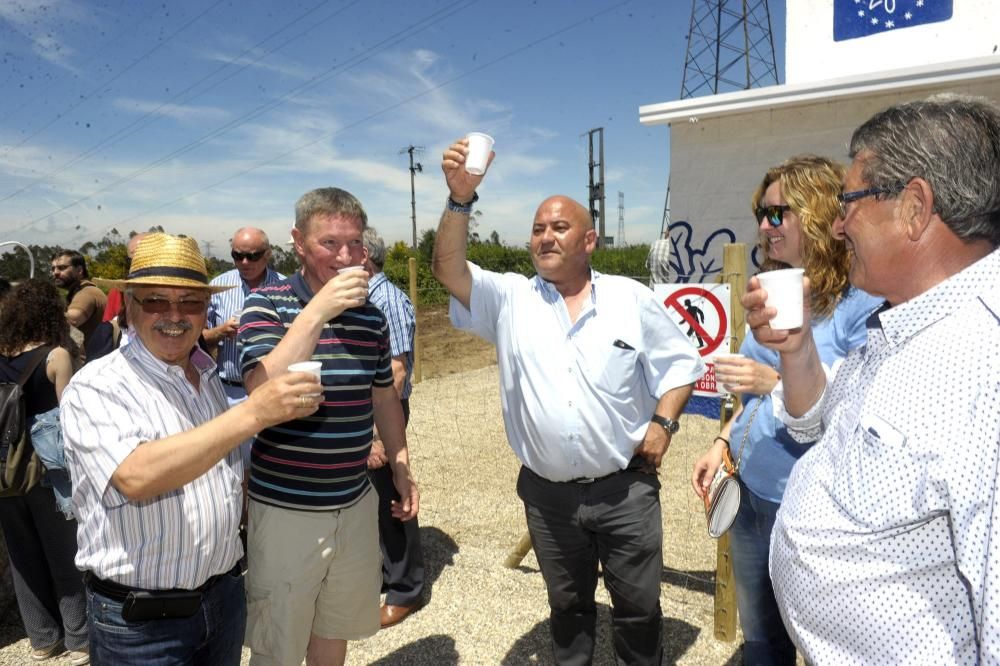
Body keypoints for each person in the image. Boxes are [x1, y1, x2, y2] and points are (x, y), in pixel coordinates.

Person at [742, 95, 1000, 663]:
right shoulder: (905, 321)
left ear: (913, 207)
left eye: (850, 201)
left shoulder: (984, 363)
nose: (838, 224)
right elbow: (820, 425)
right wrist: (796, 349)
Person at [433, 137, 704, 665]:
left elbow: (681, 366)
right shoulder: (509, 298)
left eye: (559, 227)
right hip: (548, 498)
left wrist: (664, 425)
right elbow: (448, 268)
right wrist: (460, 199)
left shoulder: (632, 299)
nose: (546, 236)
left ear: (589, 241)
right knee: (569, 607)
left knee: (639, 609)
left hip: (626, 490)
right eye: (538, 228)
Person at [61, 233, 322, 665]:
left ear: (207, 309)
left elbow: (225, 472)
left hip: (222, 599)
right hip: (141, 624)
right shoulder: (98, 385)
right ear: (129, 307)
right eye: (155, 301)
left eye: (190, 302)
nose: (175, 315)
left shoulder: (207, 377)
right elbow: (137, 476)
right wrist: (255, 413)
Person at [690, 155, 881, 665]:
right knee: (762, 642)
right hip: (751, 491)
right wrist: (721, 442)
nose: (763, 226)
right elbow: (753, 398)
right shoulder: (774, 286)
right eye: (761, 213)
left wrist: (775, 377)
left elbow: (864, 409)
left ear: (817, 214)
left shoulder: (858, 304)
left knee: (828, 643)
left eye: (777, 213)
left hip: (805, 502)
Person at [238, 187, 418, 666]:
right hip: (286, 510)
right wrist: (319, 310)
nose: (346, 256)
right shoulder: (265, 305)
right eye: (330, 243)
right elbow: (261, 388)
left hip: (354, 505)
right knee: (277, 646)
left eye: (354, 244)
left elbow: (384, 396)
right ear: (298, 242)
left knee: (332, 637)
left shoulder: (372, 319)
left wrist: (400, 464)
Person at [0, 279, 89, 664]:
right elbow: (70, 416)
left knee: (22, 557)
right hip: (43, 469)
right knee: (63, 551)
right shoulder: (55, 356)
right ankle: (79, 638)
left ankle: (41, 639)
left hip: (4, 471)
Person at [361, 226, 424, 628]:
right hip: (371, 414)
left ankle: (406, 589)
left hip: (384, 415)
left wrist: (379, 435)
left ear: (364, 256)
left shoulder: (387, 300)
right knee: (377, 499)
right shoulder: (367, 297)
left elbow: (396, 373)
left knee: (394, 495)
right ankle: (387, 572)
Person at [203, 228, 285, 465]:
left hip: (270, 392)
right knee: (231, 466)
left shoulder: (284, 287)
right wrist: (219, 332)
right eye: (238, 256)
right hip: (227, 392)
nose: (245, 262)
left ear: (268, 254)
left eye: (253, 256)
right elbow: (197, 340)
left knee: (268, 463)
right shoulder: (219, 287)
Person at [50, 250, 107, 353]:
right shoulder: (77, 292)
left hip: (90, 362)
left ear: (79, 270)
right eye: (53, 268)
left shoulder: (86, 293)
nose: (56, 272)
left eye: (62, 268)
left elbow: (72, 320)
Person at [102, 232, 151, 324]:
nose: (138, 265)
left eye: (144, 258)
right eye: (132, 260)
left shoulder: (178, 292)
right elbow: (108, 327)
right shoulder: (117, 293)